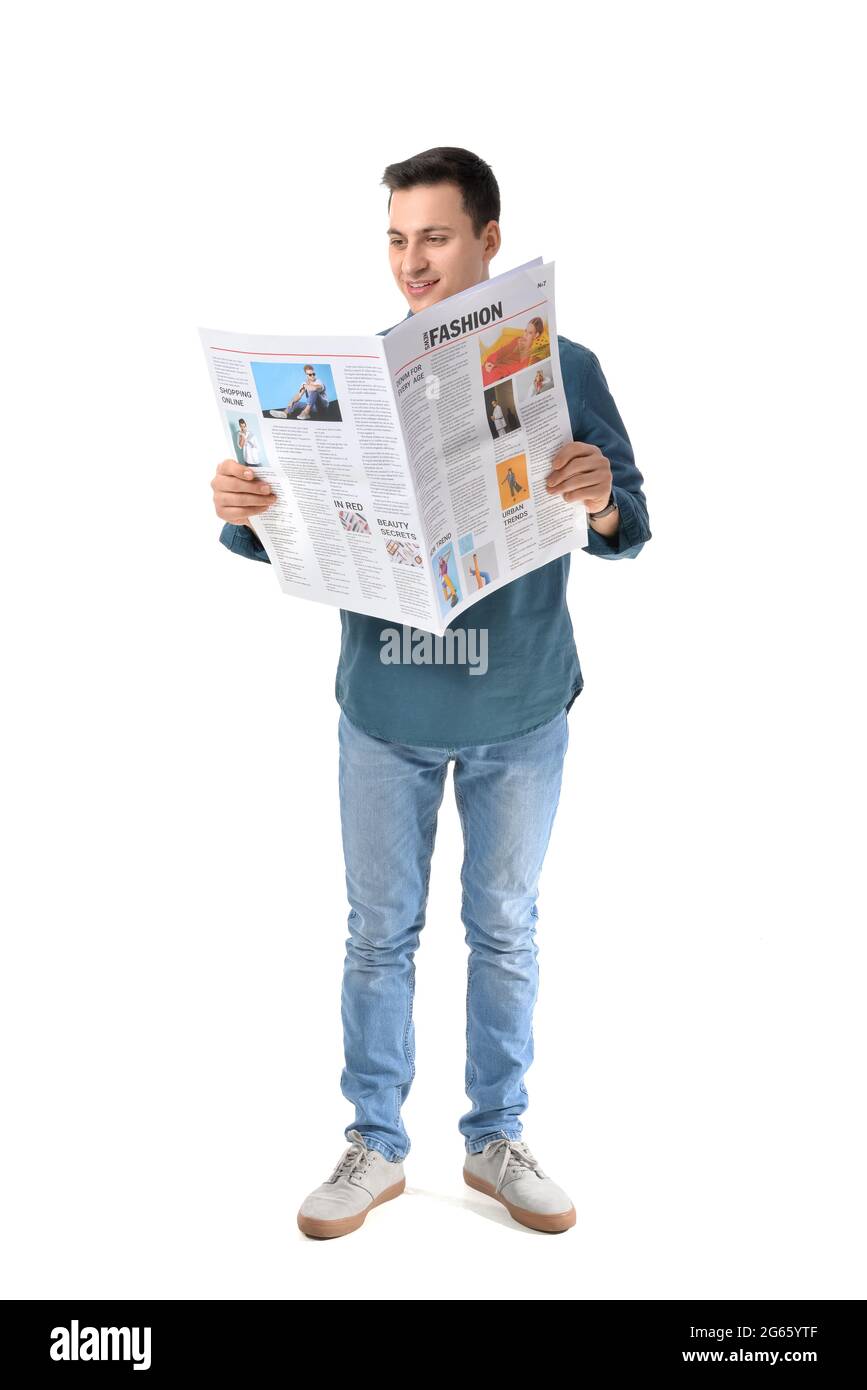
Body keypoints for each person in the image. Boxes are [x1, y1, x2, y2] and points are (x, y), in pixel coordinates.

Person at [210, 146, 652, 1240]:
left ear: (490, 242)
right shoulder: (353, 376)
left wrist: (598, 501)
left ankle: (496, 1136)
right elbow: (280, 537)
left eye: (436, 237)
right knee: (378, 932)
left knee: (505, 928)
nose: (414, 261)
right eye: (399, 240)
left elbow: (630, 522)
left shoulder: (565, 365)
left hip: (522, 707)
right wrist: (245, 502)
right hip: (385, 709)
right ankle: (375, 1143)